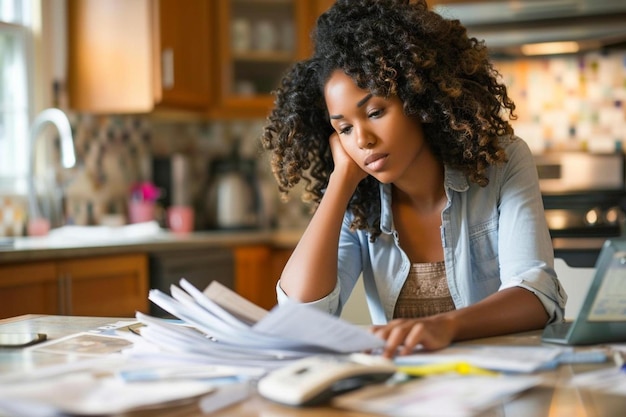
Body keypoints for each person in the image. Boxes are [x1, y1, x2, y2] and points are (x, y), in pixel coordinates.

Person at [261, 0, 566, 358]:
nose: (361, 140)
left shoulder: (503, 161)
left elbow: (537, 296)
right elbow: (300, 317)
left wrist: (446, 325)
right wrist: (341, 181)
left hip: (495, 388)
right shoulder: (361, 197)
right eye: (344, 128)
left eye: (375, 112)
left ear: (418, 97)